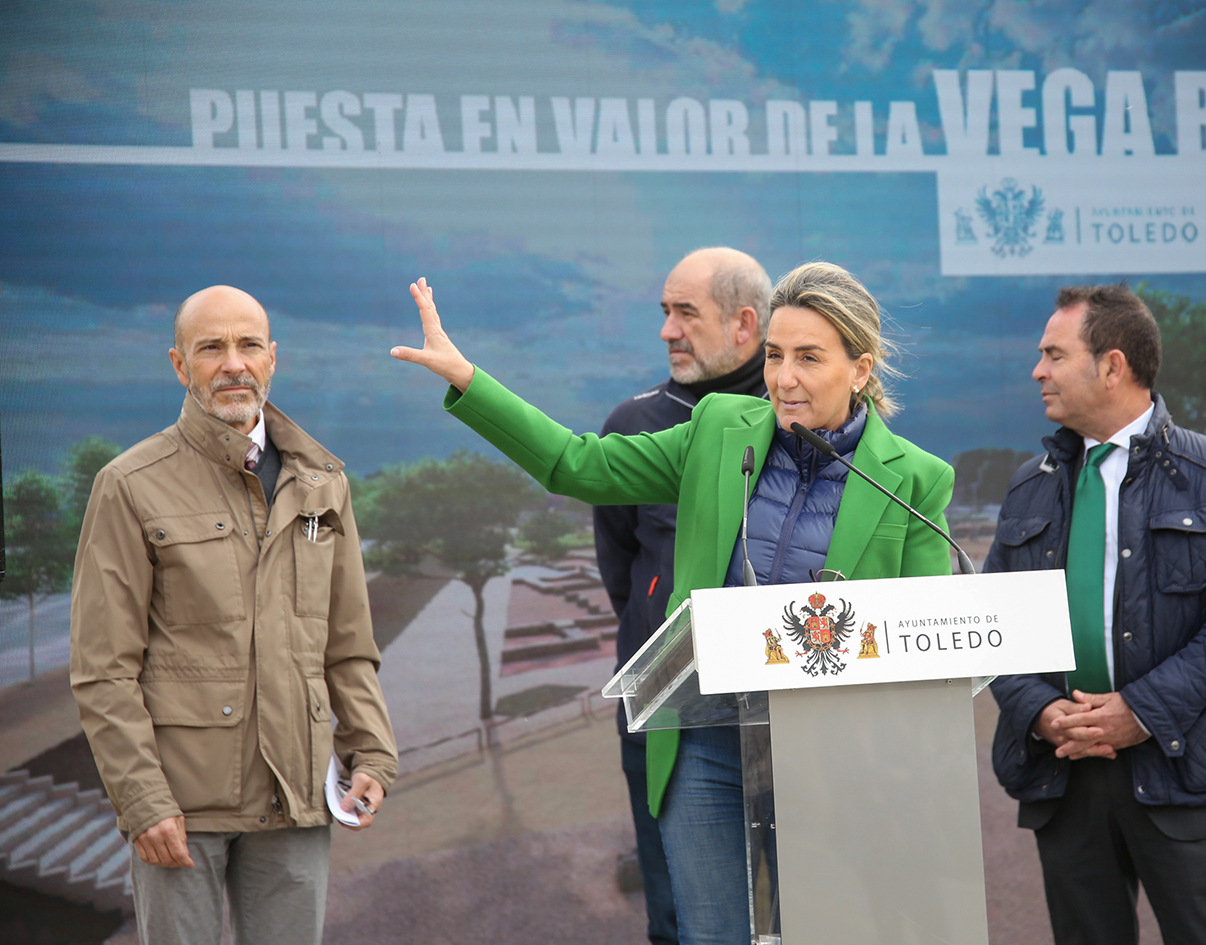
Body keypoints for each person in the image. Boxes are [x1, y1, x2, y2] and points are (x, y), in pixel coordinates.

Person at [391, 261, 955, 945]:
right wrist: (467, 381)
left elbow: (924, 647)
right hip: (706, 741)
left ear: (859, 369)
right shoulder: (719, 427)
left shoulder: (915, 480)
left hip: (830, 756)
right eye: (775, 355)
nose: (784, 378)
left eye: (809, 358)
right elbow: (577, 464)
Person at [71, 285, 398, 945]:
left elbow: (348, 642)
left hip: (298, 797)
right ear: (178, 363)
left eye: (248, 344)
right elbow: (104, 669)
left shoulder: (321, 480)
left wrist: (370, 750)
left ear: (272, 357)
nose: (233, 363)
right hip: (183, 805)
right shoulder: (129, 484)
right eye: (210, 347)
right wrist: (142, 800)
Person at [986, 284, 1206, 945]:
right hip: (1062, 772)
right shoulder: (1028, 483)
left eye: (1053, 354)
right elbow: (991, 622)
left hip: (1184, 765)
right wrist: (1037, 707)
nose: (1037, 370)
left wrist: (1140, 711)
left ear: (1111, 365)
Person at [594, 246, 771, 945]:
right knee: (681, 922)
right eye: (664, 312)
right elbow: (624, 578)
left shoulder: (798, 420)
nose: (667, 330)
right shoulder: (635, 425)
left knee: (815, 907)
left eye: (685, 313)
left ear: (744, 323)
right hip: (673, 716)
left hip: (795, 719)